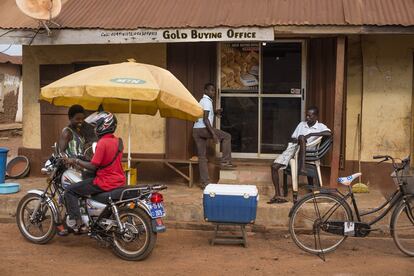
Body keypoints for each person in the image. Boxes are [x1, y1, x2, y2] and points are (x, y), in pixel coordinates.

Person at [62, 112, 126, 234]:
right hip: (119, 179)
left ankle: (78, 224)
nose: (95, 128)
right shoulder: (118, 141)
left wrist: (75, 160)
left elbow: (92, 166)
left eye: (97, 125)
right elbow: (106, 160)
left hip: (105, 181)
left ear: (104, 125)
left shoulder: (102, 142)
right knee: (85, 180)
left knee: (70, 190)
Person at [268, 106, 331, 204]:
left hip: (308, 152)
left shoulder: (320, 126)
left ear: (316, 116)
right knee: (274, 166)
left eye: (310, 116)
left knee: (302, 137)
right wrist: (299, 140)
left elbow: (328, 133)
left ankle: (302, 166)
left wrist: (311, 134)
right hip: (295, 149)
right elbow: (293, 138)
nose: (307, 118)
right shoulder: (302, 124)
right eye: (307, 115)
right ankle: (277, 195)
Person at [193, 83, 236, 188]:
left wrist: (215, 112)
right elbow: (205, 119)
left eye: (214, 90)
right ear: (205, 91)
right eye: (211, 90)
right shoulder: (207, 101)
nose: (213, 92)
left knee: (202, 157)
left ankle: (205, 183)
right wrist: (213, 134)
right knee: (227, 136)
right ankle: (225, 161)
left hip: (196, 130)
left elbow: (205, 115)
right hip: (203, 129)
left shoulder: (203, 101)